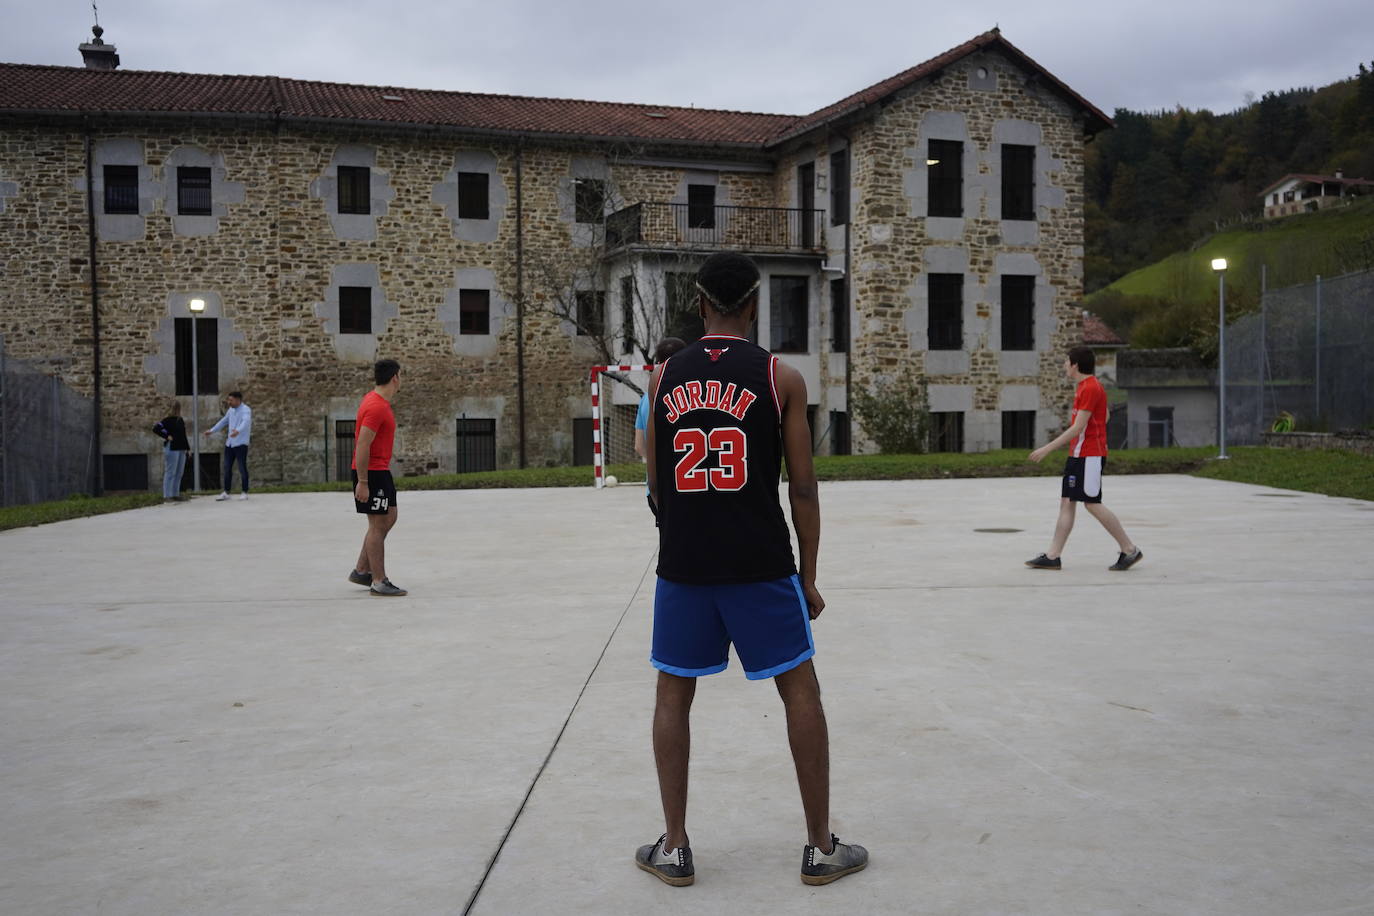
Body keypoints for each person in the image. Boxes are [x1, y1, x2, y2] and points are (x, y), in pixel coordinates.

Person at [637, 251, 868, 888]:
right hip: (761, 561)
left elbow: (656, 481)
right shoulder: (780, 377)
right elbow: (803, 488)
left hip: (685, 566)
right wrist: (809, 575)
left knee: (672, 695)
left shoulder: (664, 378)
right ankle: (820, 848)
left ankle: (676, 847)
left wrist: (683, 529)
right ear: (754, 306)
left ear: (701, 305)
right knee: (800, 693)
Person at [1026, 345, 1143, 571]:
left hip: (1089, 456)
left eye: (1066, 361)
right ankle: (1053, 556)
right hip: (1080, 454)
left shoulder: (1089, 388)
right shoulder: (1086, 387)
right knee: (1067, 502)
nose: (1064, 366)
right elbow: (1105, 415)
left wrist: (1046, 449)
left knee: (1092, 504)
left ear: (1075, 365)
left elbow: (1078, 427)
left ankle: (1129, 549)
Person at [349, 360, 407, 597]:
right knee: (378, 524)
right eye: (401, 376)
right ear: (395, 377)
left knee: (388, 517)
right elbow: (362, 444)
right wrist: (363, 482)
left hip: (379, 470)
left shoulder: (376, 401)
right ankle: (379, 581)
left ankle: (362, 570)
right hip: (371, 472)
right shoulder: (376, 406)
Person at [634, 336, 686, 513]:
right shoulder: (692, 393)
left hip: (655, 487)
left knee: (666, 537)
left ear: (657, 362)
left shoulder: (645, 399)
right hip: (689, 484)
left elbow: (639, 446)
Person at [206, 391, 252, 501]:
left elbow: (245, 422)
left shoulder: (246, 410)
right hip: (230, 444)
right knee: (227, 468)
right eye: (228, 400)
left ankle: (244, 492)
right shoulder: (231, 410)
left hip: (241, 444)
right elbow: (223, 421)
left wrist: (238, 431)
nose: (228, 402)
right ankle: (226, 492)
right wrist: (212, 430)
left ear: (238, 400)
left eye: (230, 400)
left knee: (242, 468)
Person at [153, 401, 190, 501]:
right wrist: (167, 435)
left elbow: (183, 435)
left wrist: (187, 448)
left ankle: (175, 494)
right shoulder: (167, 420)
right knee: (170, 471)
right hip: (172, 447)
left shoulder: (180, 420)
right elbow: (157, 428)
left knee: (179, 472)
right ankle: (167, 495)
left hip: (181, 448)